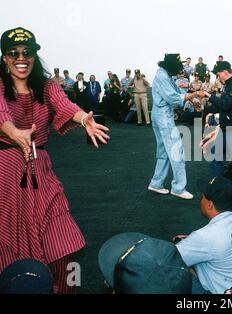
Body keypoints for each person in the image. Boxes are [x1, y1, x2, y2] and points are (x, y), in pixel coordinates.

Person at [0, 27, 109, 293]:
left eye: (27, 52)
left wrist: (85, 119)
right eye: (13, 53)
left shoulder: (47, 86)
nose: (20, 58)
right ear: (4, 58)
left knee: (63, 239)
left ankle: (64, 288)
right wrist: (15, 133)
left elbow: (63, 104)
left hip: (40, 168)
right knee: (11, 240)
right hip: (6, 172)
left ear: (35, 56)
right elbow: (1, 112)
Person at [175, 177, 232, 294]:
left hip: (222, 292)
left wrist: (185, 243)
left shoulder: (204, 236)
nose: (200, 199)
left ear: (210, 204)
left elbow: (171, 257)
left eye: (203, 197)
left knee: (171, 267)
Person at [148, 53, 198, 200]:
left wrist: (191, 98)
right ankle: (178, 187)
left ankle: (156, 183)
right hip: (163, 116)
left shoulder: (164, 74)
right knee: (176, 150)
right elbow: (172, 97)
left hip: (159, 115)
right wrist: (195, 94)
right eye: (178, 67)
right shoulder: (163, 76)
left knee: (163, 151)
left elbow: (177, 92)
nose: (180, 70)